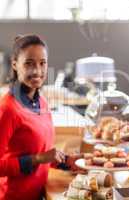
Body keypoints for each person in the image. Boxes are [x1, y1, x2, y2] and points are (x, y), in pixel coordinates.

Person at [0, 34, 80, 200]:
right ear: (15, 64)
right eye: (29, 63)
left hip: (38, 194)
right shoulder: (7, 108)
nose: (37, 70)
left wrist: (67, 162)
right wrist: (38, 158)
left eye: (42, 63)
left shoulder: (42, 102)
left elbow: (42, 154)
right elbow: (38, 157)